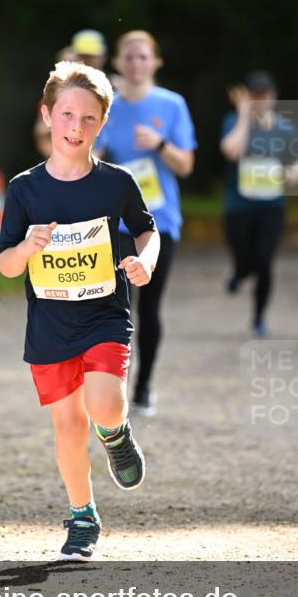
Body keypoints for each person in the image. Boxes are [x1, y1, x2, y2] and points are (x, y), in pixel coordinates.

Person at [0, 60, 160, 561]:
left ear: (103, 122)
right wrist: (27, 247)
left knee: (104, 404)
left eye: (89, 118)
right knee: (69, 426)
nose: (76, 126)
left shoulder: (116, 183)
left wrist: (145, 262)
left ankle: (115, 432)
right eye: (67, 114)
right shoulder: (24, 189)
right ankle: (83, 516)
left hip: (104, 315)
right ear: (47, 114)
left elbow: (147, 230)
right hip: (50, 324)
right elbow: (6, 265)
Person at [95, 30, 196, 416]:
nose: (136, 64)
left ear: (155, 62)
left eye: (143, 57)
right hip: (115, 224)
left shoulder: (172, 105)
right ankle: (115, 388)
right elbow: (89, 160)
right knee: (116, 307)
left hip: (158, 224)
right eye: (129, 57)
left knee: (149, 308)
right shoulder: (107, 107)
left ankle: (144, 388)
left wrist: (159, 144)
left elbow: (185, 166)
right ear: (118, 63)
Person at [220, 71, 298, 337]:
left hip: (271, 206)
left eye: (265, 95)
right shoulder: (234, 121)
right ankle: (239, 272)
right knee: (245, 259)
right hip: (239, 206)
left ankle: (259, 318)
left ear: (273, 96)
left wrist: (296, 172)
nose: (261, 101)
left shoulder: (284, 128)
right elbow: (231, 151)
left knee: (265, 262)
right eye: (255, 96)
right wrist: (244, 115)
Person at [33, 32, 109, 159]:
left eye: (92, 57)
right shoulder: (57, 93)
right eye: (82, 56)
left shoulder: (117, 89)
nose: (87, 61)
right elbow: (42, 134)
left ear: (103, 56)